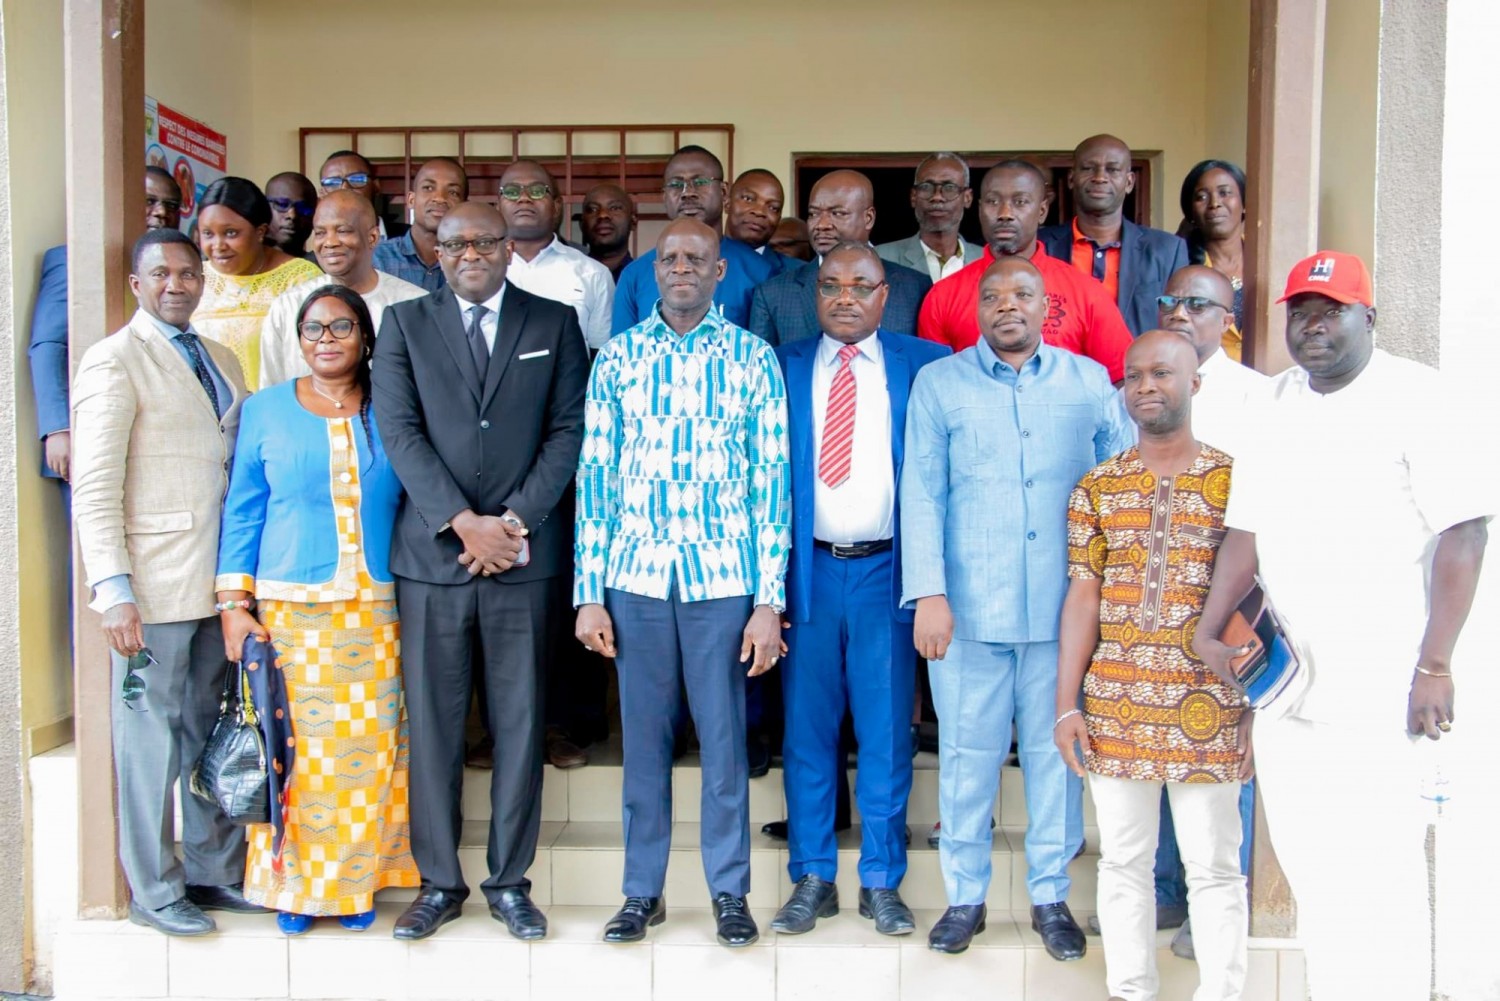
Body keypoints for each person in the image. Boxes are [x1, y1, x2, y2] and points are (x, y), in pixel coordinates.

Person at [1192, 251, 1491, 1001]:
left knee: (1382, 876)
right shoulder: (1276, 403)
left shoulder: (1418, 396)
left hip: (1383, 688)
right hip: (1289, 688)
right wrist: (1207, 627)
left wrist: (1435, 664)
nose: (1312, 325)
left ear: (1368, 318)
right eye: (1300, 310)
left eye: (1331, 310)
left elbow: (1465, 532)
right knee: (1312, 870)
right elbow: (1245, 532)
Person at [902, 256, 1132, 958]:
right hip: (968, 610)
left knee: (1054, 756)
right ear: (976, 308)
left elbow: (1118, 487)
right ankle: (964, 896)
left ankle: (1048, 895)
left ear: (1046, 307)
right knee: (968, 757)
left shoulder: (1089, 384)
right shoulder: (939, 384)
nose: (1008, 305)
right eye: (993, 295)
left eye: (1023, 294)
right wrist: (929, 593)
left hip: (1064, 615)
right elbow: (922, 491)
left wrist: (1115, 602)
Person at [371, 201, 589, 942]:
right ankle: (439, 881)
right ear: (434, 250)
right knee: (432, 724)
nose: (471, 252)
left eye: (485, 240)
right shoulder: (401, 325)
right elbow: (398, 430)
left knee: (521, 722)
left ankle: (509, 880)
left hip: (523, 560)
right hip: (433, 559)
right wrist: (463, 523)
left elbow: (568, 432)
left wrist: (514, 524)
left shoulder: (552, 323)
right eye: (456, 241)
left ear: (508, 247)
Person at [575, 218, 789, 949]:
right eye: (668, 257)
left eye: (697, 257)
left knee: (724, 743)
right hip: (634, 577)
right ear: (652, 270)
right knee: (644, 743)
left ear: (721, 271)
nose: (681, 268)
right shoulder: (620, 359)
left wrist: (769, 600)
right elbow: (595, 479)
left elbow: (771, 485)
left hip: (723, 579)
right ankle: (643, 891)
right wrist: (588, 591)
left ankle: (730, 890)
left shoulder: (753, 360)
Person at [71, 227, 259, 936]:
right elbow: (94, 486)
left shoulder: (219, 355)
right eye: (163, 274)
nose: (178, 283)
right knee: (151, 740)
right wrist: (111, 588)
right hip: (150, 588)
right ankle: (154, 889)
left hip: (216, 582)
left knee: (210, 730)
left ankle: (214, 870)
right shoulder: (113, 361)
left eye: (189, 272)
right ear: (136, 283)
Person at [216, 285, 420, 934]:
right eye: (313, 328)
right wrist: (232, 603)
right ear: (297, 339)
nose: (325, 338)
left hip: (376, 608)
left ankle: (356, 885)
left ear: (365, 336)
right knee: (296, 752)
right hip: (290, 612)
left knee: (367, 752)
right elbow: (243, 506)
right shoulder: (268, 409)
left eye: (340, 326)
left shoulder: (393, 407)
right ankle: (294, 889)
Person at [1056, 329, 1250, 1001]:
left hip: (1209, 702)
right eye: (1133, 374)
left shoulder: (1235, 480)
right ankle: (1131, 989)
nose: (1144, 385)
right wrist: (1066, 702)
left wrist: (1255, 702)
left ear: (1195, 382)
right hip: (1117, 700)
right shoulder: (1098, 487)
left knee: (1215, 867)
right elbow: (1083, 595)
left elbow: (1259, 594)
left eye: (1162, 373)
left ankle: (1222, 991)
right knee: (1124, 861)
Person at [768, 243, 949, 938]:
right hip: (807, 569)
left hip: (887, 572)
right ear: (816, 295)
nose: (845, 297)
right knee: (807, 731)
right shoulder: (780, 366)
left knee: (884, 730)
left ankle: (881, 878)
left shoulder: (924, 364)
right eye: (832, 285)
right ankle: (812, 874)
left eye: (861, 286)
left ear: (885, 295)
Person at [1090, 264, 1268, 957]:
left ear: (1228, 316)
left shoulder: (1259, 397)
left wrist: (1239, 622)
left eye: (1199, 303)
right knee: (1150, 763)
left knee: (1220, 767)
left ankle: (1212, 908)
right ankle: (1163, 889)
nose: (1182, 312)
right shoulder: (1138, 388)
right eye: (1171, 301)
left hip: (1225, 618)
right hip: (1145, 622)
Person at [29, 166, 184, 491]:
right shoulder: (73, 261)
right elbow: (48, 345)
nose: (161, 213)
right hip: (90, 435)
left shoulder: (179, 274)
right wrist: (58, 429)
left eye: (171, 206)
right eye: (149, 201)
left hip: (157, 438)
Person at [918, 160, 1133, 382]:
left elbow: (1121, 378)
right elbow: (934, 384)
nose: (1005, 213)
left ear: (1041, 211)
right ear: (980, 209)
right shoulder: (942, 296)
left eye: (1020, 202)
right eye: (993, 201)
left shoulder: (1086, 292)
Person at [258, 191, 425, 387]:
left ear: (372, 237)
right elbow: (270, 391)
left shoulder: (414, 306)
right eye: (320, 233)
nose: (330, 242)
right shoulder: (288, 306)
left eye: (343, 231)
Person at [750, 170, 931, 345]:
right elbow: (760, 371)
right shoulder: (772, 295)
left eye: (837, 213)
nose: (821, 225)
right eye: (813, 214)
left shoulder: (916, 288)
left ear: (868, 218)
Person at [612, 145, 775, 332]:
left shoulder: (760, 271)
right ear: (664, 196)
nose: (687, 192)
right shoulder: (635, 274)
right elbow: (622, 353)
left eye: (700, 182)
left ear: (723, 192)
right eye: (675, 184)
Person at [1039, 135, 1189, 337]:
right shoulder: (1040, 245)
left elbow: (1181, 323)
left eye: (1112, 169)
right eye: (1088, 168)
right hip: (1062, 367)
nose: (1100, 177)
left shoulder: (1167, 250)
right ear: (1071, 179)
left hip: (1137, 367)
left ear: (1129, 182)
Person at [192, 176, 324, 391]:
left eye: (230, 233)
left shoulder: (301, 279)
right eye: (208, 234)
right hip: (206, 416)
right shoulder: (195, 278)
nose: (218, 245)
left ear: (260, 232)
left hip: (275, 412)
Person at [497, 160, 614, 351]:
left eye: (537, 191)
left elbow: (600, 353)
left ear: (557, 206)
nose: (524, 198)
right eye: (511, 191)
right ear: (498, 206)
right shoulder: (480, 270)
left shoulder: (593, 273)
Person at [876, 152, 985, 283]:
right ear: (913, 196)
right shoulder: (880, 258)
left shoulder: (987, 261)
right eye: (926, 187)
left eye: (949, 187)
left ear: (967, 198)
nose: (937, 197)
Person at [1180, 160, 1249, 359]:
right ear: (1191, 212)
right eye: (1202, 197)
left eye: (1225, 193)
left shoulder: (1266, 263)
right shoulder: (1182, 268)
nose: (1214, 203)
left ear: (1244, 203)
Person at [371, 157, 468, 294]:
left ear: (464, 206)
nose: (439, 198)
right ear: (411, 199)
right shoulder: (376, 257)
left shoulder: (471, 261)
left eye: (453, 192)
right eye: (428, 188)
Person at [318, 150, 407, 239]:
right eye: (333, 183)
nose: (345, 188)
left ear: (376, 186)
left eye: (357, 179)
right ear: (322, 194)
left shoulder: (411, 238)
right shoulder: (322, 247)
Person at [727, 168, 793, 275]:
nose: (759, 211)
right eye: (748, 199)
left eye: (773, 207)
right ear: (727, 202)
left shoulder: (798, 272)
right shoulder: (698, 262)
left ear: (779, 219)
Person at [579, 182, 637, 281]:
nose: (603, 215)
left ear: (633, 222)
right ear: (581, 224)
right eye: (593, 209)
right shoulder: (567, 276)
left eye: (614, 208)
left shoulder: (649, 278)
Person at [265, 171, 318, 260]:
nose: (292, 215)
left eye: (303, 208)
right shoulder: (244, 263)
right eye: (282, 204)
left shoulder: (323, 268)